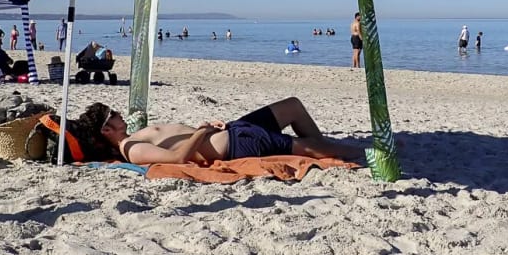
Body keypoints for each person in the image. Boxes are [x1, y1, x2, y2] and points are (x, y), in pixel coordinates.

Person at [83, 97, 363, 165]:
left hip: (236, 129)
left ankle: (330, 146)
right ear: (107, 129)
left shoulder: (133, 138)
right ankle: (363, 154)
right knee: (305, 149)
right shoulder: (133, 150)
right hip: (237, 145)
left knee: (293, 106)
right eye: (115, 115)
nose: (121, 114)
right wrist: (201, 131)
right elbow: (178, 159)